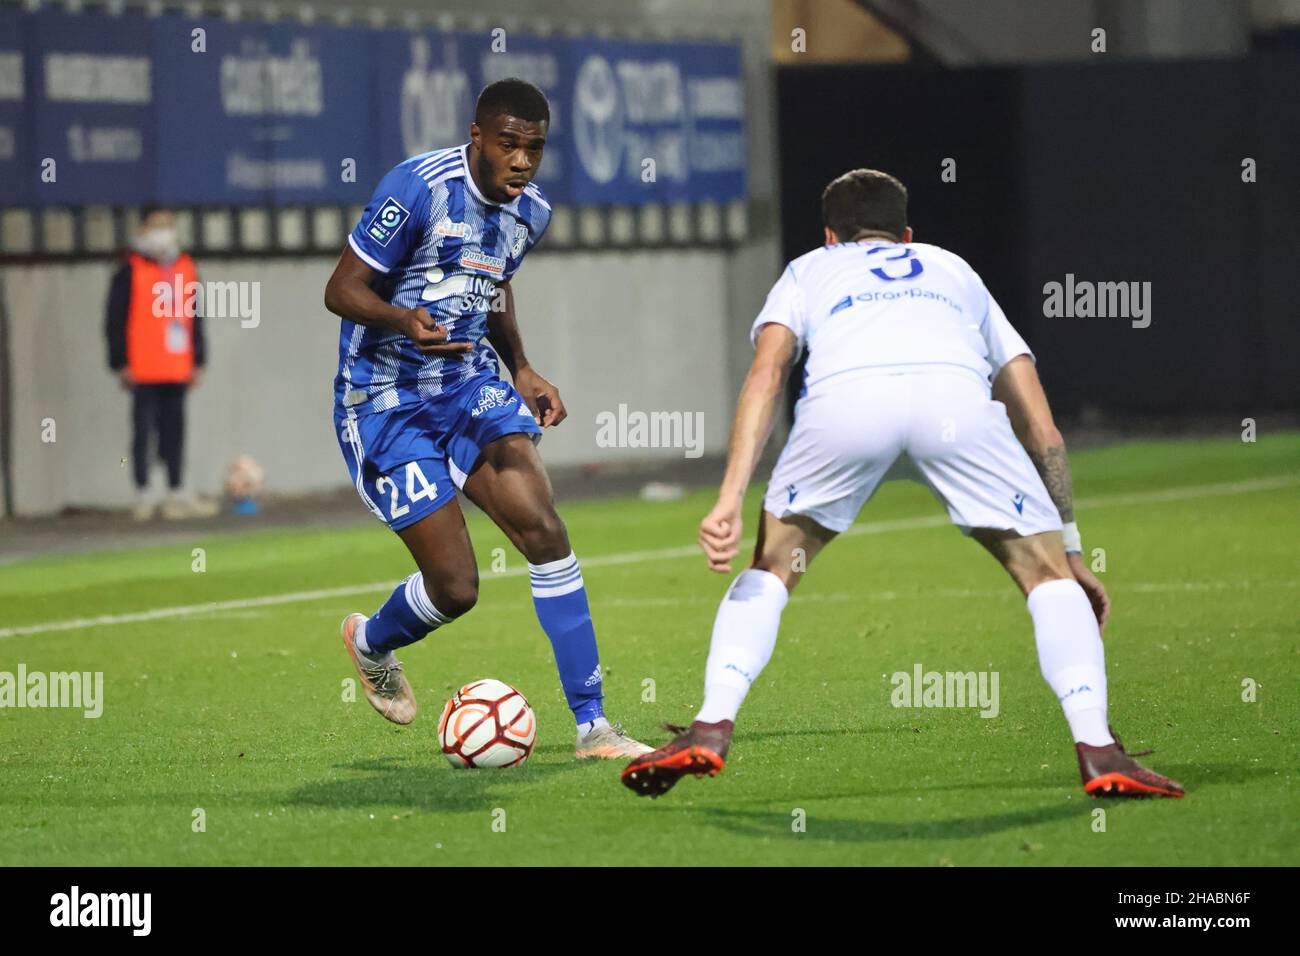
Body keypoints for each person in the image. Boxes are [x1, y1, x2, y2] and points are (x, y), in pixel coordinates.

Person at [622, 169, 1184, 799]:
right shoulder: (953, 268)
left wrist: (728, 496)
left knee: (772, 568)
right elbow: (1043, 428)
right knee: (1047, 580)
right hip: (957, 408)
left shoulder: (810, 269)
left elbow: (767, 374)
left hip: (846, 410)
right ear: (907, 233)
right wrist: (1072, 549)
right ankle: (1099, 750)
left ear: (830, 236)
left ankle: (711, 727)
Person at [324, 78, 651, 760]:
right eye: (509, 144)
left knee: (543, 525)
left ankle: (593, 726)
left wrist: (522, 366)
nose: (523, 160)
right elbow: (342, 289)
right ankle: (371, 641)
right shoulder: (417, 187)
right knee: (456, 588)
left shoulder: (530, 212)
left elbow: (494, 282)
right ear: (477, 137)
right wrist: (400, 319)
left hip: (466, 384)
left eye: (534, 147)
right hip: (383, 399)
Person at [106, 203, 216, 521]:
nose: (163, 231)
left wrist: (199, 359)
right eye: (156, 225)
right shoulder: (129, 269)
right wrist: (120, 362)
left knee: (175, 431)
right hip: (142, 367)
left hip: (176, 365)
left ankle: (176, 490)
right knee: (143, 431)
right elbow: (114, 319)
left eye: (168, 224)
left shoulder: (185, 266)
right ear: (142, 230)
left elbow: (195, 316)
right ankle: (143, 492)